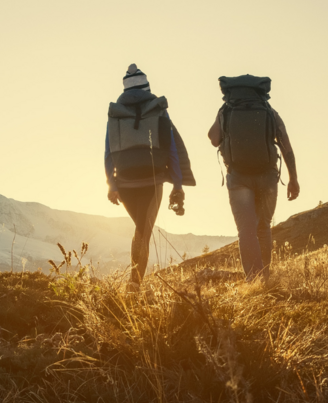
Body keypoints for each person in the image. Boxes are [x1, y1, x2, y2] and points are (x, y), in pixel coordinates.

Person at [104, 64, 193, 285]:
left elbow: (108, 152)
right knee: (143, 230)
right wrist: (178, 184)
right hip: (152, 181)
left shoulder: (116, 113)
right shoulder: (158, 110)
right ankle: (134, 286)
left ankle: (135, 284)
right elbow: (171, 149)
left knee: (141, 229)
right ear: (147, 87)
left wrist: (112, 185)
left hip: (124, 183)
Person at [207, 75, 297, 280]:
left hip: (238, 178)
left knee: (246, 231)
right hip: (267, 176)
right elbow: (286, 147)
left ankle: (253, 279)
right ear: (261, 92)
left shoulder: (226, 111)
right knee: (263, 227)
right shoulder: (269, 112)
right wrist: (293, 179)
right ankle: (265, 276)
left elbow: (213, 139)